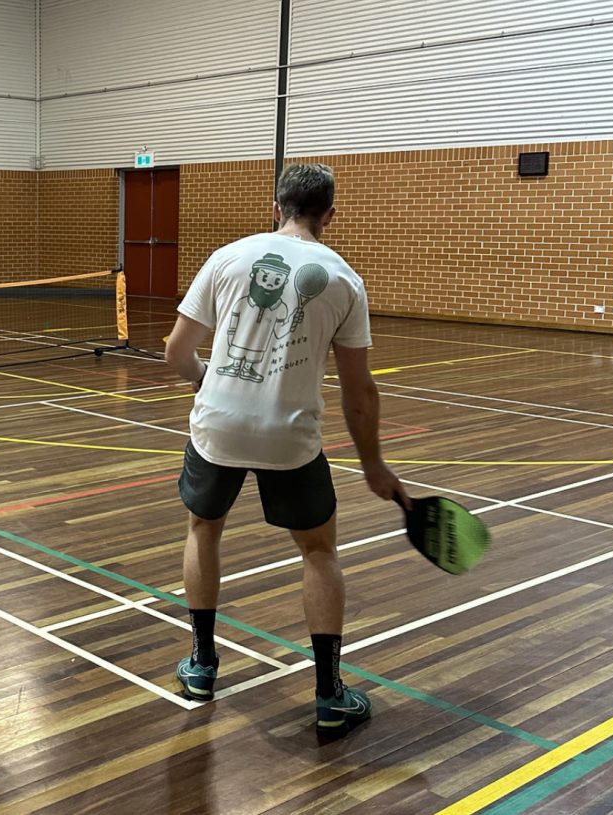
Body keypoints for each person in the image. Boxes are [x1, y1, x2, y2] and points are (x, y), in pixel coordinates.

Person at [164, 163, 408, 736]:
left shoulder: (227, 257)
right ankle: (329, 694)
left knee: (204, 529)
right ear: (329, 214)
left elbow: (176, 354)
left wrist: (211, 386)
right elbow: (359, 392)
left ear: (276, 207)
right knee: (318, 551)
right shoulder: (344, 277)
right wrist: (373, 463)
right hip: (291, 436)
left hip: (216, 428)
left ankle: (201, 665)